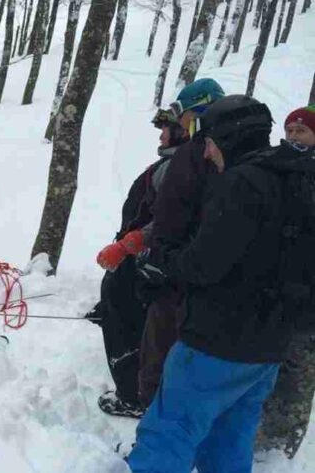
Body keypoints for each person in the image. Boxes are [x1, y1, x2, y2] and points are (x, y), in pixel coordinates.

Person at [127, 95, 291, 472]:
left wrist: (163, 260)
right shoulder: (292, 177)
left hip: (216, 338)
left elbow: (203, 264)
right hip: (268, 346)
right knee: (230, 437)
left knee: (169, 430)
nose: (207, 153)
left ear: (230, 138)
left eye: (211, 142)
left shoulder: (240, 183)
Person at [135, 78, 225, 408]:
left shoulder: (192, 159)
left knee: (163, 355)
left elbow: (171, 217)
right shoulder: (234, 156)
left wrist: (157, 257)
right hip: (202, 276)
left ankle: (154, 431)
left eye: (185, 118)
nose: (180, 127)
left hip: (180, 274)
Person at [92, 109, 186, 418]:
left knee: (128, 323)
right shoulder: (176, 163)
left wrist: (127, 246)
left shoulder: (181, 166)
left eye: (166, 129)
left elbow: (166, 220)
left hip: (145, 260)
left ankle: (131, 396)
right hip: (143, 259)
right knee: (128, 315)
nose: (161, 135)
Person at [255, 106, 315, 458]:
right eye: (290, 130)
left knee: (298, 373)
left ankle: (279, 450)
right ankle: (257, 437)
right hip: (275, 290)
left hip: (308, 299)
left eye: (302, 131)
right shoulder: (278, 166)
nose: (294, 136)